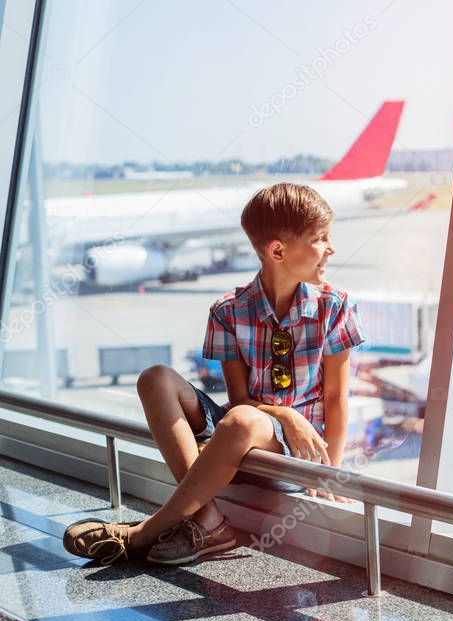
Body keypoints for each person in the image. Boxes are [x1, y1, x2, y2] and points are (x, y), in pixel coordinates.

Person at [62, 182, 364, 565]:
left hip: (293, 449)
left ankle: (144, 532)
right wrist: (286, 414)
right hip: (248, 425)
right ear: (278, 251)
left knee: (238, 422)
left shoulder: (334, 307)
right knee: (155, 378)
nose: (331, 248)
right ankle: (208, 519)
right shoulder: (228, 311)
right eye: (320, 239)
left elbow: (337, 398)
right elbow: (240, 402)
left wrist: (327, 474)